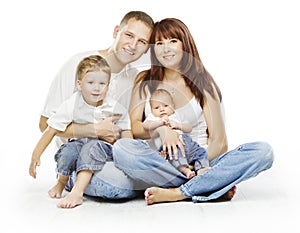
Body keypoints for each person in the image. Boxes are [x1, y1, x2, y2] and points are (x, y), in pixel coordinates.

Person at [112, 18, 274, 205]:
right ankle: (210, 185)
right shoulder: (144, 79)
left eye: (173, 41)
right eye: (159, 43)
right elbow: (136, 129)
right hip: (162, 163)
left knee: (263, 151)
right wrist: (163, 130)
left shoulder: (203, 83)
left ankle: (179, 192)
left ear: (185, 44)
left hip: (202, 161)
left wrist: (195, 164)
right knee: (122, 149)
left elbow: (219, 142)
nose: (166, 49)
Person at [37, 11, 154, 204]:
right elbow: (44, 124)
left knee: (143, 173)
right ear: (116, 31)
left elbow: (130, 128)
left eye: (142, 41)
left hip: (113, 155)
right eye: (129, 35)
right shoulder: (78, 64)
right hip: (76, 158)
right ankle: (72, 184)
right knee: (116, 186)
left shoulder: (135, 77)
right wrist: (94, 130)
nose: (133, 45)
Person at [30, 55, 133, 208]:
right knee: (67, 151)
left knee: (91, 149)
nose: (97, 88)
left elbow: (126, 129)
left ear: (108, 86)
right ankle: (61, 182)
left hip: (103, 147)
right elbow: (51, 129)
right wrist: (35, 155)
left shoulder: (113, 106)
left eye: (102, 83)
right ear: (79, 84)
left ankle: (77, 192)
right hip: (79, 142)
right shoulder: (72, 103)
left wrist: (128, 153)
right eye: (90, 82)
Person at [143, 88, 210, 179]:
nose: (161, 109)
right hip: (170, 145)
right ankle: (185, 170)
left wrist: (179, 125)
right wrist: (159, 123)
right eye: (156, 107)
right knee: (174, 154)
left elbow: (189, 128)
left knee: (201, 151)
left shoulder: (177, 115)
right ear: (151, 110)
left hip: (186, 141)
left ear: (173, 106)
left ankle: (201, 168)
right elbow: (146, 125)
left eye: (165, 105)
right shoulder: (154, 117)